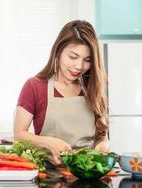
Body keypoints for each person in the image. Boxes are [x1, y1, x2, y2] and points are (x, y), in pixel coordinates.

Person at [14, 20, 109, 165]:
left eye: (87, 60)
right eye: (73, 57)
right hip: (49, 177)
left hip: (87, 174)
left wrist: (103, 145)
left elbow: (101, 136)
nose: (79, 66)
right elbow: (19, 135)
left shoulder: (93, 88)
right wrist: (47, 142)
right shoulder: (34, 86)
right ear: (58, 51)